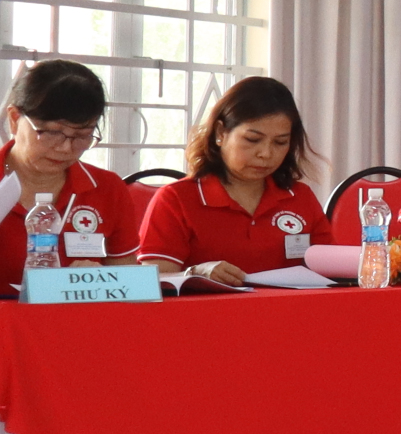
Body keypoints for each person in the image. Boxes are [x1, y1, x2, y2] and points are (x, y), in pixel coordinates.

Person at [135, 75, 335, 286]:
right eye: (252, 140)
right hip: (209, 307)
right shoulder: (177, 198)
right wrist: (195, 273)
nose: (266, 153)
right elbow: (149, 281)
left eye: (280, 142)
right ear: (221, 133)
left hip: (289, 306)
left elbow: (330, 270)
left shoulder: (299, 197)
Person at [0, 59, 137, 291]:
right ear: (14, 119)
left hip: (78, 314)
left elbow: (130, 285)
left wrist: (101, 281)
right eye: (52, 132)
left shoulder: (107, 189)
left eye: (82, 135)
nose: (65, 148)